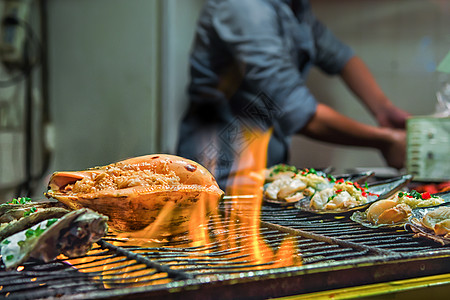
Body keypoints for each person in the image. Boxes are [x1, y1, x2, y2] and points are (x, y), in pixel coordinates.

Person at [176, 0, 410, 190]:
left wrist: (383, 109)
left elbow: (340, 56)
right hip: (216, 172)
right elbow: (296, 108)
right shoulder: (244, 8)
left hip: (261, 172)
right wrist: (385, 140)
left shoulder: (294, 8)